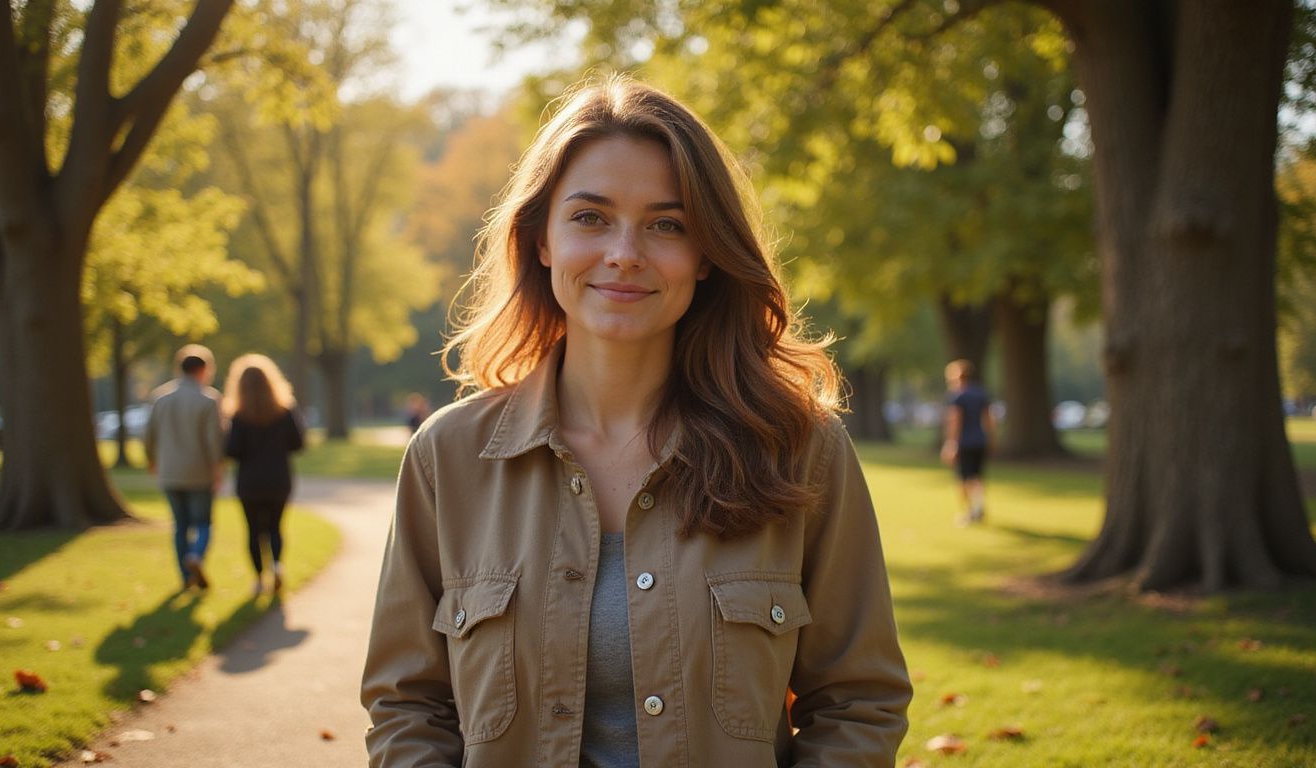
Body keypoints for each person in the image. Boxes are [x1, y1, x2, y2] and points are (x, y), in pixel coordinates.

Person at [363, 76, 911, 767]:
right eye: (590, 217)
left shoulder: (799, 449)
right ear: (541, 241)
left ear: (706, 254)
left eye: (667, 224)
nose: (625, 252)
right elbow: (407, 706)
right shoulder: (447, 458)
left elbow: (860, 702)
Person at [223, 354, 305, 597]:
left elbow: (231, 451)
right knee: (275, 527)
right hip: (279, 479)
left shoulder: (238, 416)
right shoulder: (284, 410)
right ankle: (277, 566)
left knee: (253, 531)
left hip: (249, 482)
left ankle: (259, 578)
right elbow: (298, 443)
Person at [146, 344, 224, 591]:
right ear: (203, 369)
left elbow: (149, 436)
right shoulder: (208, 400)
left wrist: (152, 460)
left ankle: (184, 576)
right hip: (199, 473)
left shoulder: (161, 398)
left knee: (180, 526)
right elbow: (214, 441)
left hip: (169, 472)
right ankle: (196, 556)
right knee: (203, 523)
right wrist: (218, 469)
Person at [940, 359, 996, 526]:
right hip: (980, 440)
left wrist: (951, 443)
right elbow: (989, 419)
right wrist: (991, 439)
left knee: (963, 479)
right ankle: (979, 507)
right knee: (977, 477)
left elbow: (955, 421)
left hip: (964, 442)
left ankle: (970, 511)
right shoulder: (980, 394)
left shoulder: (957, 396)